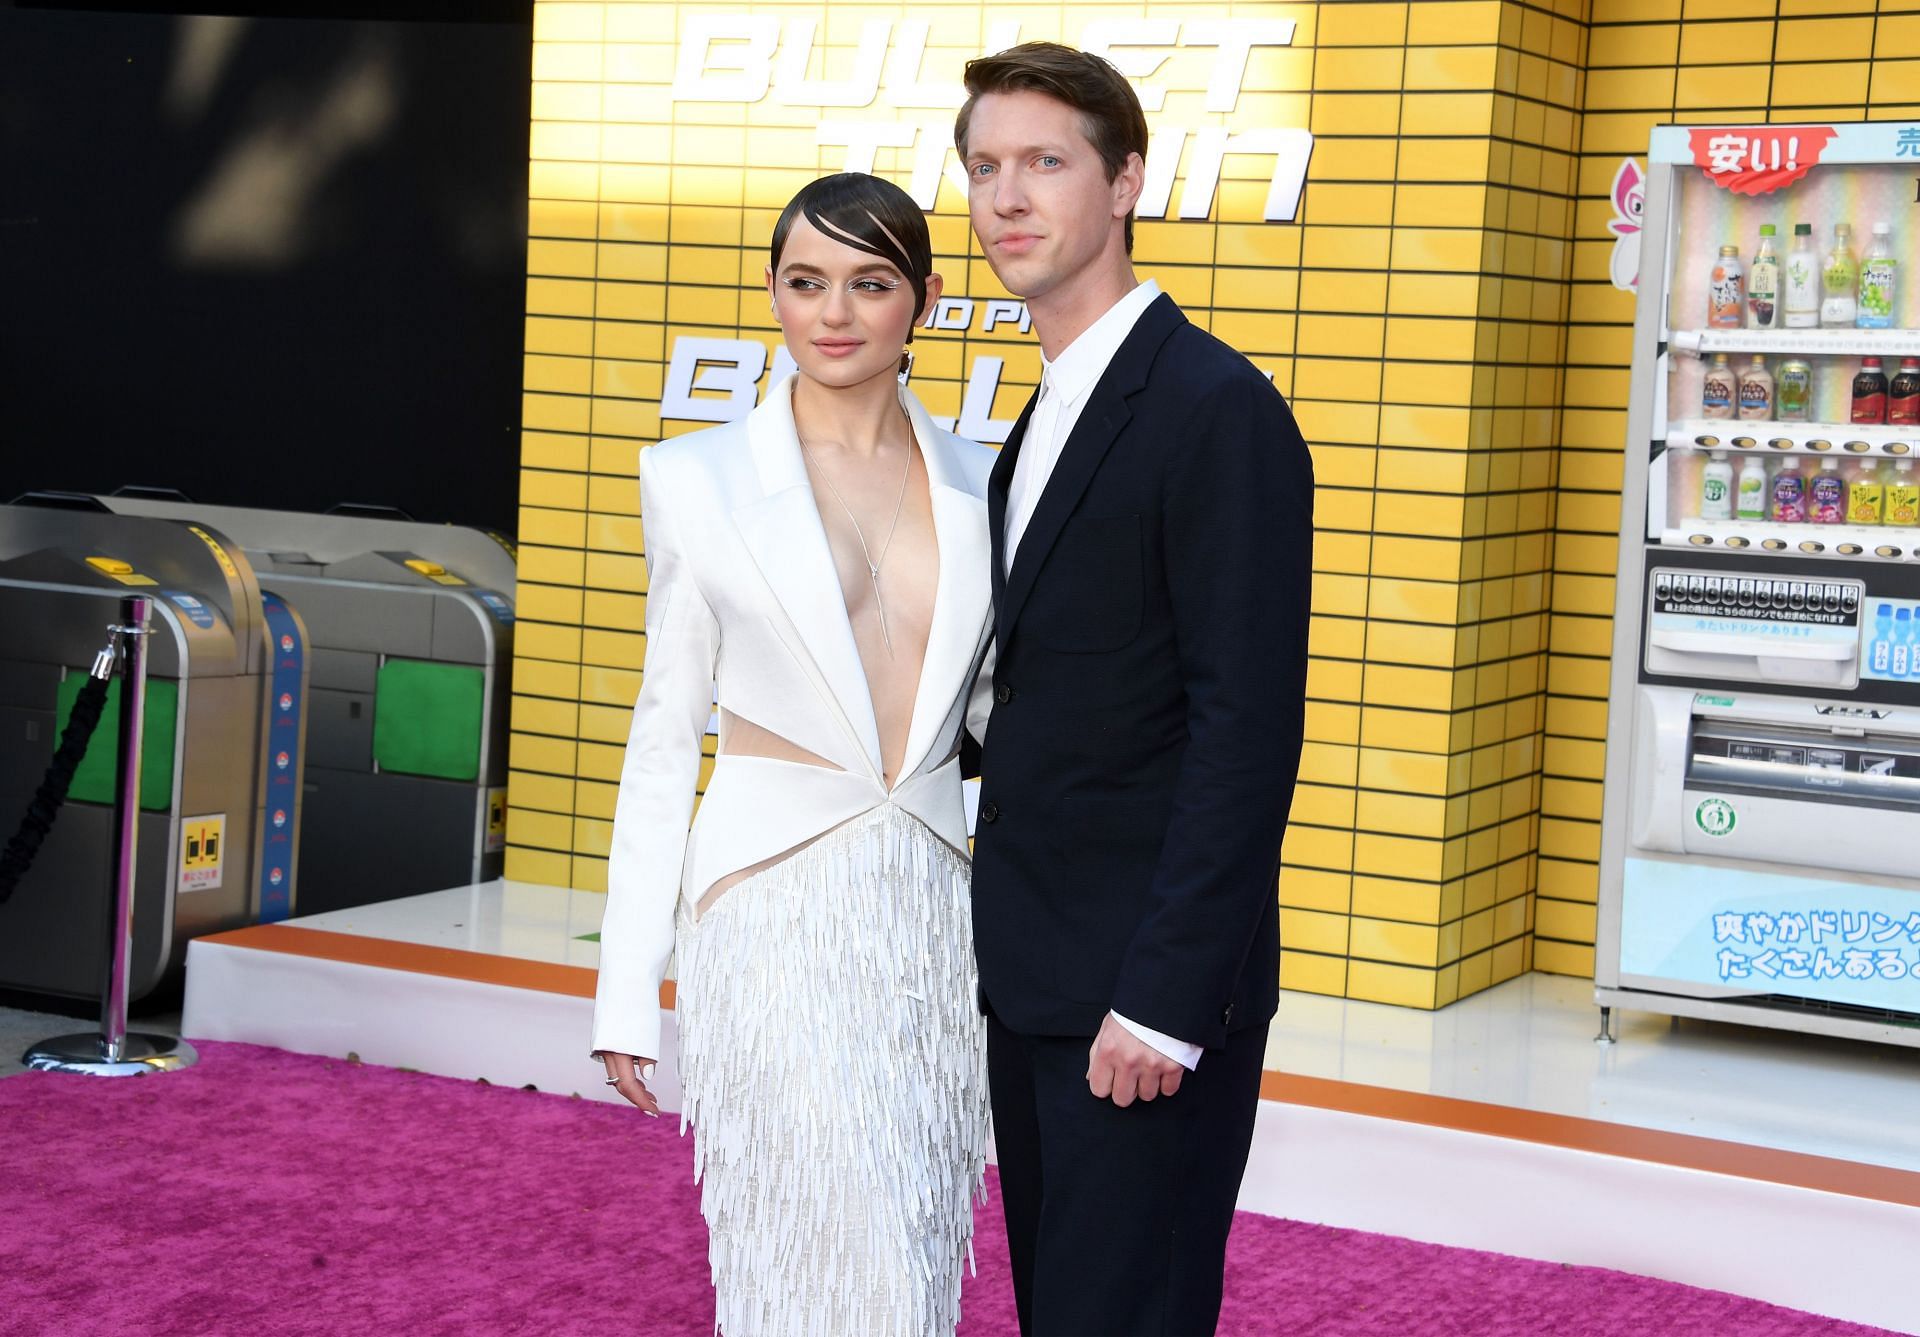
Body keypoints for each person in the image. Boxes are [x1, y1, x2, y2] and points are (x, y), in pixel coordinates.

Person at [589, 172, 998, 1336]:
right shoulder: (695, 479)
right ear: (772, 291)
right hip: (768, 905)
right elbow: (665, 735)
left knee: (915, 1238)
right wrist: (631, 981)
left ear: (922, 299)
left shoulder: (986, 483)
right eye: (806, 281)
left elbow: (997, 720)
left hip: (931, 909)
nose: (833, 311)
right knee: (817, 1232)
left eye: (869, 283)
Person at [955, 43, 1315, 1335]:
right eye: (987, 167)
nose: (1009, 197)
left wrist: (1165, 1001)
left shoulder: (1216, 409)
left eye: (1045, 162)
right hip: (1037, 974)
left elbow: (1247, 727)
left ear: (1125, 184)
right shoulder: (1039, 416)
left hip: (1143, 999)